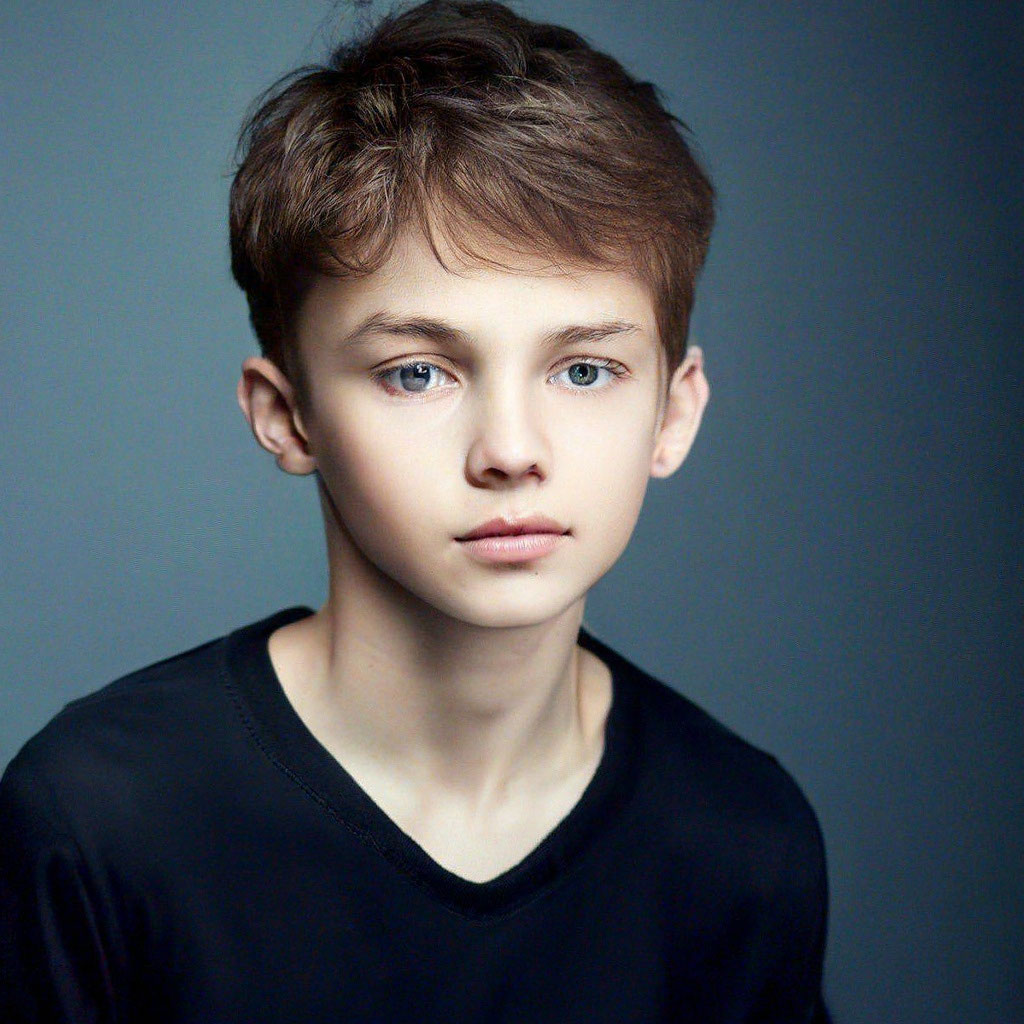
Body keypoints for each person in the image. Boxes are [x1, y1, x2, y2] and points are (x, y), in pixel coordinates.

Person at [0, 1, 830, 1020]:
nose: (511, 451)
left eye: (583, 369)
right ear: (287, 415)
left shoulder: (743, 840)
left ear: (673, 411)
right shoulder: (99, 820)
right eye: (416, 373)